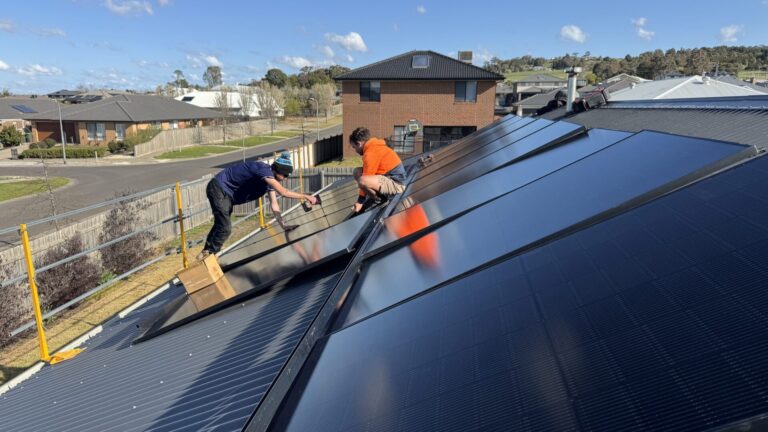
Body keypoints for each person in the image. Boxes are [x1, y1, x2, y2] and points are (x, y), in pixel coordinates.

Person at [197, 152, 318, 260]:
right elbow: (283, 192)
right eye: (285, 175)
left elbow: (274, 204)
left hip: (227, 195)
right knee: (225, 227)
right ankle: (209, 257)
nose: (285, 179)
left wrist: (283, 225)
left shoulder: (268, 180)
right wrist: (306, 196)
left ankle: (206, 252)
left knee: (221, 225)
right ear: (278, 171)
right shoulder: (263, 170)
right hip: (219, 188)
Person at [349, 127, 407, 213]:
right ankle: (378, 196)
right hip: (387, 177)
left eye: (354, 147)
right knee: (357, 172)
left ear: (359, 144)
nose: (355, 150)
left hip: (397, 184)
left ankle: (379, 199)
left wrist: (359, 202)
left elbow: (366, 178)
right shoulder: (373, 146)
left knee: (362, 180)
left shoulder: (371, 153)